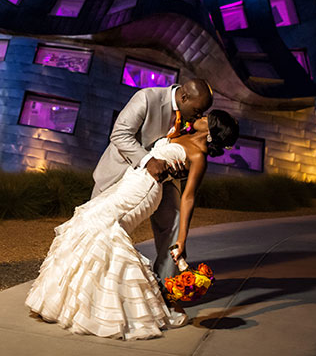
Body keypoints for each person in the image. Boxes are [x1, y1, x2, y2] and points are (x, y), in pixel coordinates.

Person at [26, 110, 240, 340]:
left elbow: (189, 198)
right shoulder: (182, 133)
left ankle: (115, 311)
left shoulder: (199, 156)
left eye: (207, 119)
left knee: (105, 230)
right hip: (130, 179)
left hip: (144, 190)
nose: (201, 117)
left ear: (210, 131)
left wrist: (182, 239)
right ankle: (63, 302)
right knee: (87, 222)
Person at [92, 79, 213, 283]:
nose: (200, 116)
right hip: (122, 172)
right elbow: (120, 134)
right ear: (184, 97)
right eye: (198, 110)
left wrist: (179, 169)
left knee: (174, 221)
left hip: (163, 181)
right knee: (97, 226)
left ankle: (167, 286)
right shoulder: (147, 98)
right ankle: (94, 281)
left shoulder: (190, 117)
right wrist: (149, 160)